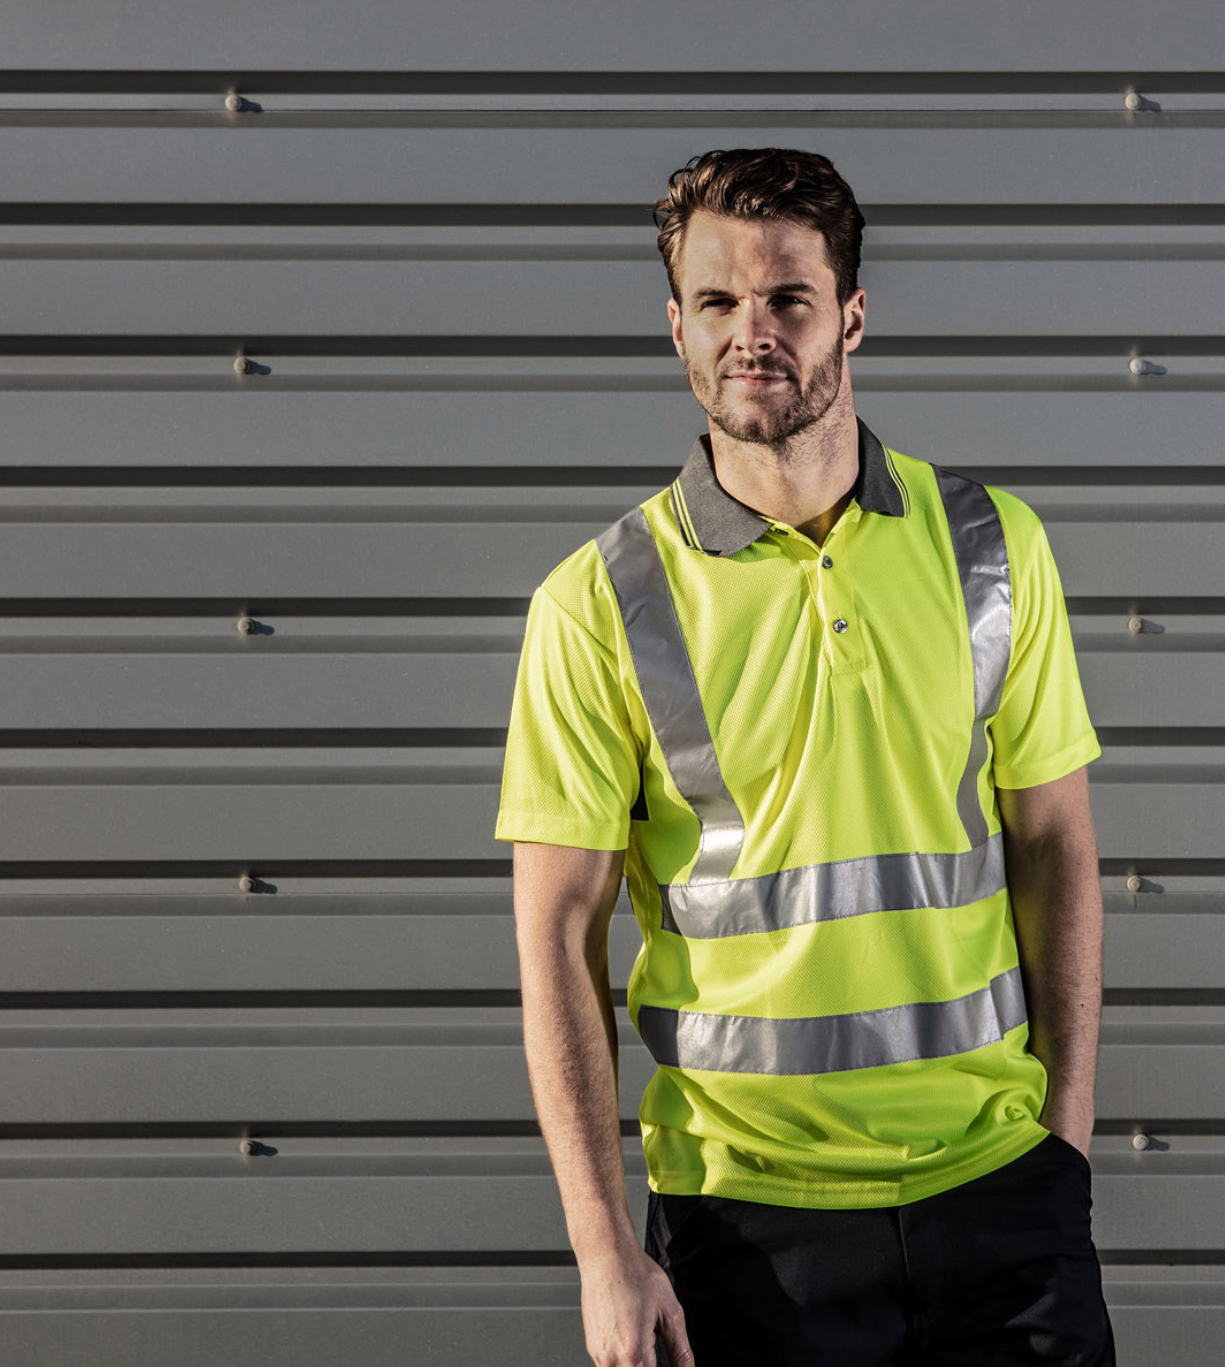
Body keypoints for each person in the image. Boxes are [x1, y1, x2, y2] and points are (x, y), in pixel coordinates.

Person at [497, 146, 1116, 1367]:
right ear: (676, 325)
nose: (752, 333)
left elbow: (1055, 844)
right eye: (716, 301)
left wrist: (1065, 1141)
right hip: (746, 1228)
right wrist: (601, 1246)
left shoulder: (991, 547)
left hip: (1001, 1193)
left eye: (787, 297)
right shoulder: (597, 603)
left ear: (851, 316)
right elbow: (555, 937)